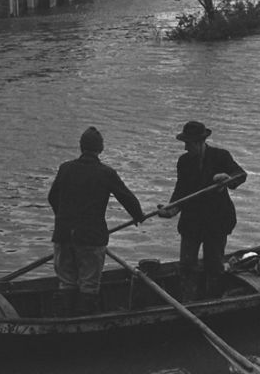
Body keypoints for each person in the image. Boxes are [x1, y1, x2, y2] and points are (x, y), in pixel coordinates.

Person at [48, 126, 144, 315]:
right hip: (90, 237)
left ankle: (65, 319)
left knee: (67, 282)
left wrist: (64, 219)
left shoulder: (65, 168)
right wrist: (138, 215)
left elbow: (52, 198)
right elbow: (127, 197)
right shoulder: (105, 173)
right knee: (89, 285)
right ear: (100, 149)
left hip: (63, 235)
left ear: (81, 147)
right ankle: (83, 322)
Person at [158, 121, 246, 300]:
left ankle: (212, 300)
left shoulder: (221, 156)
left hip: (216, 222)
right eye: (185, 143)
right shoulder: (184, 161)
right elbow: (181, 190)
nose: (185, 147)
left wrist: (227, 179)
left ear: (200, 142)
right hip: (191, 222)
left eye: (188, 143)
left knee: (213, 266)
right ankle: (188, 300)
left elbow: (240, 174)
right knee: (186, 265)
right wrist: (171, 209)